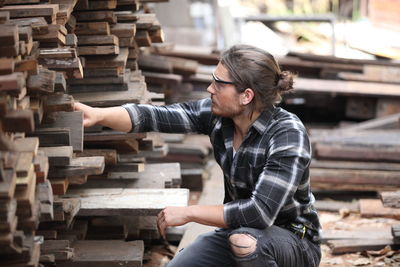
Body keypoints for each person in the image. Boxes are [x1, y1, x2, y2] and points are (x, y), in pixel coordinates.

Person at [74, 44, 321, 267]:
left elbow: (259, 213)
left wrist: (189, 212)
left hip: (293, 242)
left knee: (245, 242)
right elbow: (153, 116)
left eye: (218, 83)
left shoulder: (287, 135)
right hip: (238, 231)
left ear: (246, 96)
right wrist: (98, 115)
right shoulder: (218, 117)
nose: (209, 88)